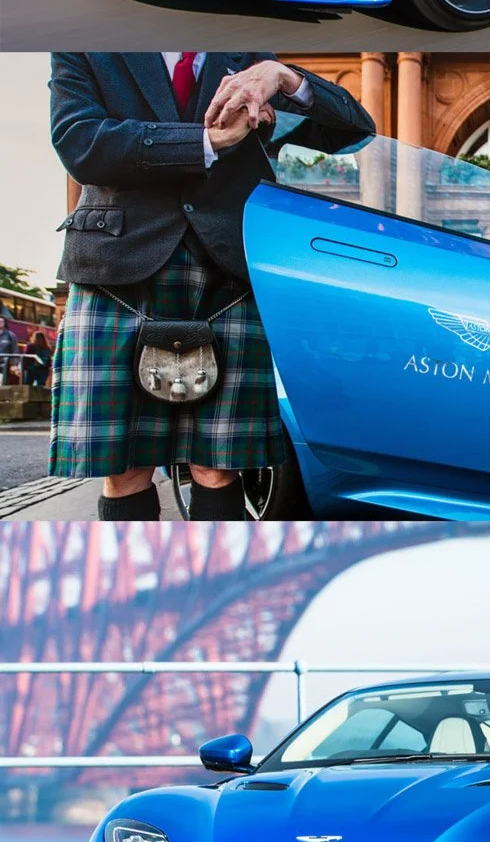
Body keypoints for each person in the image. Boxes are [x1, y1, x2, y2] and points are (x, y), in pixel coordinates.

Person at [49, 53, 374, 522]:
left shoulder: (248, 55)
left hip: (228, 275)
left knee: (219, 468)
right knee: (124, 471)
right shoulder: (87, 48)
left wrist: (283, 78)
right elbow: (80, 144)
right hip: (116, 269)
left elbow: (354, 131)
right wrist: (204, 141)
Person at [0, 316, 19, 386]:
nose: (0, 323)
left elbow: (15, 350)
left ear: (4, 323)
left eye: (1, 321)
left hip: (4, 364)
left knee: (2, 383)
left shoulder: (10, 335)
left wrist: (14, 364)